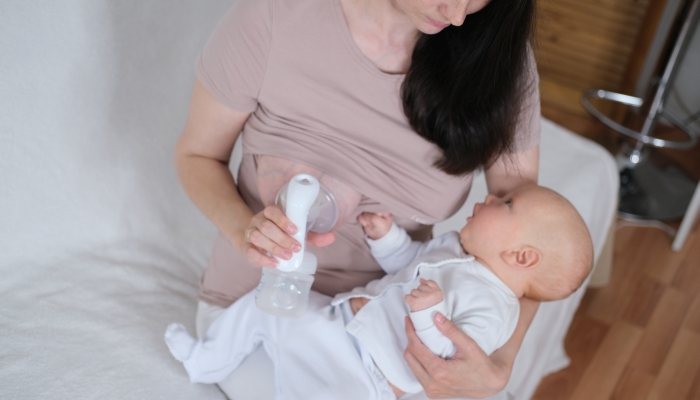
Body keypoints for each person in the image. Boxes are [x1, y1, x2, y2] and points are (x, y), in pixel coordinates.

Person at [174, 0, 541, 396]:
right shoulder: (274, 17)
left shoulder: (496, 56)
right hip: (256, 311)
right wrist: (243, 229)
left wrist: (500, 364)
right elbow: (197, 156)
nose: (457, 16)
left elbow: (535, 241)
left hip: (385, 341)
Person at [165, 185, 593, 399]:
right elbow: (406, 260)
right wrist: (386, 238)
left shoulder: (496, 309)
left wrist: (428, 313)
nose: (488, 198)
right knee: (264, 309)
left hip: (367, 371)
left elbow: (449, 354)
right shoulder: (452, 247)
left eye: (505, 204)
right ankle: (205, 359)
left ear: (522, 257)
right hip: (340, 323)